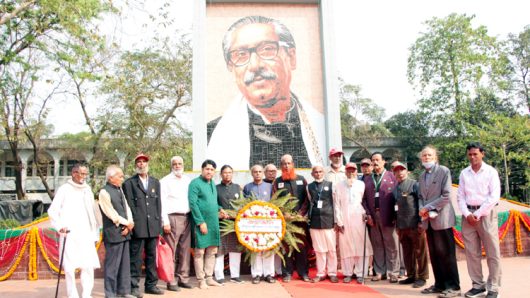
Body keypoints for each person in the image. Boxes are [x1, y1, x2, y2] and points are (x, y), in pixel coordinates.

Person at [207, 15, 325, 170]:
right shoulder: (211, 136)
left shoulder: (321, 128)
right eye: (241, 54)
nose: (255, 65)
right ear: (231, 67)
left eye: (267, 49)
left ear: (291, 57)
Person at [48, 164, 100, 298]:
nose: (83, 177)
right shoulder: (64, 189)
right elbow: (53, 211)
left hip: (86, 234)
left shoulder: (87, 189)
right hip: (70, 234)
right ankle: (73, 294)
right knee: (70, 268)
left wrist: (95, 233)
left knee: (88, 266)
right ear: (73, 173)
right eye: (81, 173)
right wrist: (59, 226)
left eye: (85, 174)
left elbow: (92, 212)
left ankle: (87, 294)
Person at [457, 143, 501, 298]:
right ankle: (478, 285)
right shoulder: (464, 173)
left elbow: (494, 196)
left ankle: (494, 287)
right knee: (472, 253)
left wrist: (479, 213)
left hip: (486, 214)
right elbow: (460, 196)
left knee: (492, 252)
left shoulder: (490, 172)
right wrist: (467, 214)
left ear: (483, 154)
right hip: (468, 215)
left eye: (475, 154)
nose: (472, 157)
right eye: (470, 154)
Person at [418, 145, 460, 298]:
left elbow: (447, 195)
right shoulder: (422, 176)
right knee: (435, 253)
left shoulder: (443, 171)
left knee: (446, 253)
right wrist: (422, 208)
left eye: (429, 155)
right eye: (424, 156)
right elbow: (421, 197)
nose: (427, 158)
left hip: (442, 218)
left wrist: (427, 207)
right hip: (428, 220)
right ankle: (439, 284)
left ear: (435, 157)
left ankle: (453, 286)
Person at [122, 153, 164, 297]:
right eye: (139, 162)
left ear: (148, 164)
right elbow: (128, 206)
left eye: (144, 162)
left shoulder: (155, 182)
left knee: (152, 257)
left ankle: (151, 285)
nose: (141, 164)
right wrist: (130, 224)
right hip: (138, 227)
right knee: (136, 258)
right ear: (136, 165)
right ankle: (133, 287)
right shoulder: (129, 183)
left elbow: (158, 205)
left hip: (152, 226)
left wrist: (159, 224)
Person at [188, 159, 227, 289]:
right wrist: (200, 222)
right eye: (207, 169)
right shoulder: (195, 183)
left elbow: (212, 202)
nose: (209, 171)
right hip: (202, 223)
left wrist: (220, 209)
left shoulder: (212, 184)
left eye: (211, 170)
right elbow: (193, 204)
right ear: (202, 169)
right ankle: (201, 280)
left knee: (212, 251)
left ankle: (209, 278)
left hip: (213, 223)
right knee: (200, 252)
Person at [98, 165, 136, 298]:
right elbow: (111, 213)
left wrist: (130, 223)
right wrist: (126, 223)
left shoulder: (119, 189)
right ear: (111, 177)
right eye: (119, 176)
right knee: (112, 265)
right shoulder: (104, 192)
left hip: (125, 231)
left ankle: (124, 291)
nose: (122, 178)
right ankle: (110, 293)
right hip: (114, 232)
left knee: (124, 264)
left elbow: (126, 208)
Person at [362, 152, 400, 282]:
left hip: (388, 215)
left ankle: (393, 272)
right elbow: (364, 200)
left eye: (378, 160)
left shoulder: (391, 177)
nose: (375, 162)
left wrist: (395, 215)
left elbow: (397, 198)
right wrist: (368, 214)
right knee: (377, 244)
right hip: (373, 216)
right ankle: (379, 271)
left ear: (384, 162)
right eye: (373, 160)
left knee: (391, 244)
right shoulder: (367, 179)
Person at [272, 154, 310, 282]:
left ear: (293, 164)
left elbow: (307, 198)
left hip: (300, 221)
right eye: (284, 163)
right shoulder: (277, 182)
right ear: (281, 166)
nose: (286, 166)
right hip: (285, 221)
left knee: (301, 247)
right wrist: (284, 214)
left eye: (289, 163)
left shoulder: (302, 179)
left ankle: (303, 273)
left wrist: (301, 213)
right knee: (286, 247)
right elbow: (274, 201)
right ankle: (287, 273)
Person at [392, 162, 429, 288]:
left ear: (407, 171)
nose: (399, 173)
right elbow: (395, 208)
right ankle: (411, 275)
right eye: (397, 171)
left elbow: (421, 203)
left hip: (415, 224)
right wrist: (397, 225)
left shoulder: (414, 184)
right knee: (407, 253)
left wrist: (421, 221)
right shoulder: (395, 188)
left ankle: (422, 277)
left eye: (402, 170)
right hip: (402, 226)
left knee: (420, 251)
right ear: (394, 173)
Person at [160, 156, 193, 291]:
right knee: (171, 251)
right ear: (171, 165)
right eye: (175, 164)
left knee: (185, 250)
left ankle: (183, 278)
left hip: (187, 217)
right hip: (172, 218)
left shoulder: (187, 180)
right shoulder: (165, 181)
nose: (178, 166)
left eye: (180, 163)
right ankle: (170, 280)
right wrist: (165, 222)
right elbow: (161, 202)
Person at [243, 164, 276, 284]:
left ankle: (269, 274)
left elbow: (275, 203)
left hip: (268, 223)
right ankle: (257, 274)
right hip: (253, 223)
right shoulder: (247, 187)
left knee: (268, 247)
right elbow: (244, 204)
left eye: (260, 171)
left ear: (263, 173)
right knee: (255, 247)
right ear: (252, 174)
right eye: (255, 172)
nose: (257, 173)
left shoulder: (270, 186)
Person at [307, 165, 338, 283]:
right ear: (312, 174)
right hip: (314, 222)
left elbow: (335, 203)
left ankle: (332, 273)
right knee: (319, 250)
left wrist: (336, 221)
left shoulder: (331, 185)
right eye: (316, 172)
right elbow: (310, 202)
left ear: (323, 173)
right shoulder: (309, 187)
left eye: (320, 172)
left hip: (328, 220)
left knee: (331, 249)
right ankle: (320, 273)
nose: (318, 174)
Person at [214, 165, 244, 284]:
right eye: (225, 173)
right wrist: (220, 211)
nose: (227, 175)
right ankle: (219, 276)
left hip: (235, 225)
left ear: (233, 174)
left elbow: (243, 204)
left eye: (230, 172)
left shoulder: (238, 188)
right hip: (220, 224)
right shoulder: (215, 188)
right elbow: (213, 204)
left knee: (235, 249)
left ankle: (235, 275)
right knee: (220, 250)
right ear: (221, 174)